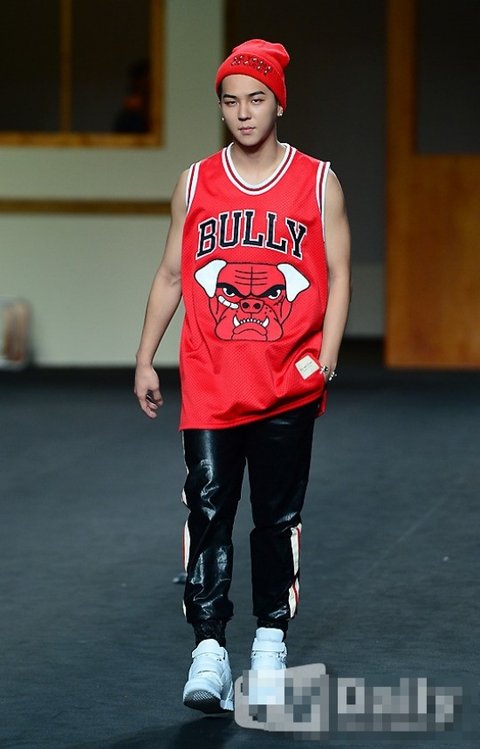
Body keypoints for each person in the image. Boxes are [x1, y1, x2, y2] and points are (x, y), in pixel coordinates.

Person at [134, 39, 351, 714]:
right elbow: (172, 274)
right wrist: (145, 356)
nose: (244, 113)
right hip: (210, 379)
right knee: (207, 510)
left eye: (257, 99)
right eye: (231, 101)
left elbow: (339, 272)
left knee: (276, 517)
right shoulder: (196, 182)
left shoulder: (317, 181)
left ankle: (269, 642)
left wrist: (328, 356)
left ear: (278, 103)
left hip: (288, 379)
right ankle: (208, 648)